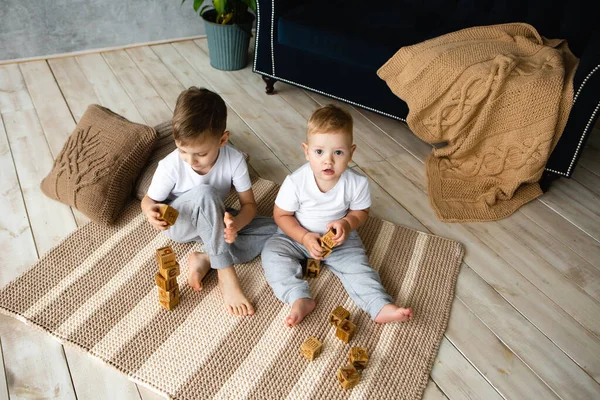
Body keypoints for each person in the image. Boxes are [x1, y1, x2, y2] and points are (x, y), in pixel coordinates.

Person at [261, 104, 414, 327]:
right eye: (319, 151)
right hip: (295, 237)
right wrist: (303, 237)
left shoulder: (357, 183)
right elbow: (281, 215)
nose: (328, 161)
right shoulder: (295, 182)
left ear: (352, 152)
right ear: (306, 151)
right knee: (272, 254)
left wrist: (347, 223)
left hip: (340, 240)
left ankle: (379, 304)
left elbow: (361, 212)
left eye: (338, 152)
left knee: (359, 267)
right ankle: (298, 297)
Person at [141, 87, 277, 316]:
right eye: (183, 150)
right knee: (205, 192)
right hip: (181, 223)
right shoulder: (171, 165)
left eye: (201, 154)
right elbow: (148, 200)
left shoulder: (234, 160)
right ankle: (226, 272)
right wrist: (150, 213)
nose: (191, 160)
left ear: (223, 139)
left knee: (279, 228)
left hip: (214, 221)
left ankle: (205, 257)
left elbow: (249, 206)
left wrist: (236, 226)